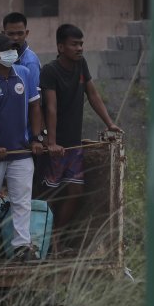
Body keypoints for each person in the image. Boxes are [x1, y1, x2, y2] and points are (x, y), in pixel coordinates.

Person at [41, 24, 123, 256]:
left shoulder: (80, 65)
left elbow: (93, 94)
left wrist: (110, 123)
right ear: (60, 47)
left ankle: (57, 238)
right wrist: (53, 143)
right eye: (74, 44)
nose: (79, 48)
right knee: (50, 195)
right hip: (56, 145)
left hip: (74, 145)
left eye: (81, 44)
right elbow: (51, 107)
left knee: (76, 192)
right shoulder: (50, 70)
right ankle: (47, 243)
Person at [0, 33, 46, 262]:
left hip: (21, 151)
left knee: (22, 200)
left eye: (14, 49)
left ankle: (22, 247)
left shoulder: (24, 74)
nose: (12, 53)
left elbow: (35, 108)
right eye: (6, 50)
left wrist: (36, 138)